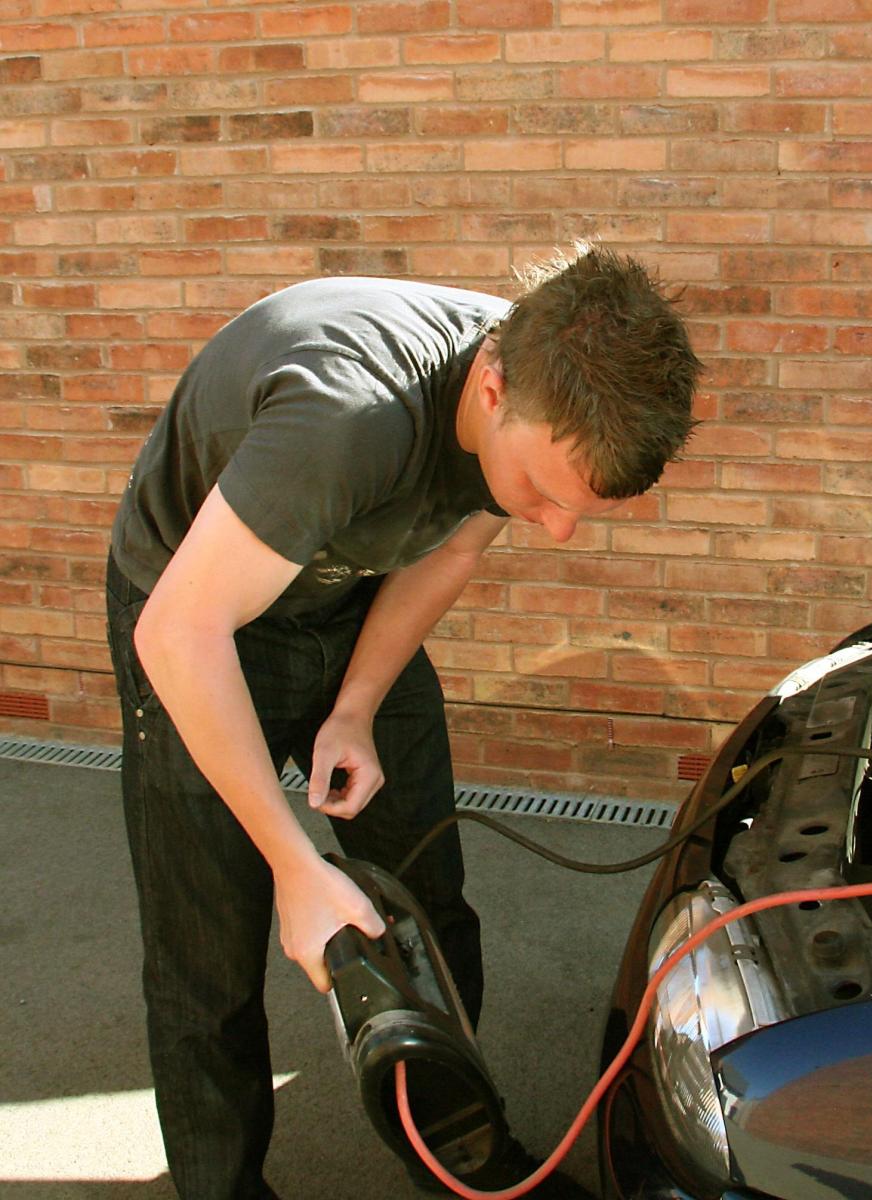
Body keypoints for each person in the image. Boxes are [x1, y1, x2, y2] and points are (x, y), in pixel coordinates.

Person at [104, 244, 701, 1200]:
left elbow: (453, 544)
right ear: (492, 387)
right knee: (206, 948)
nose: (555, 530)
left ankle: (458, 1156)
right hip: (200, 609)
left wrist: (355, 709)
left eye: (579, 509)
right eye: (544, 495)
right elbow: (181, 630)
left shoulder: (543, 378)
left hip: (350, 593)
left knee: (428, 894)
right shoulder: (349, 419)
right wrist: (297, 867)